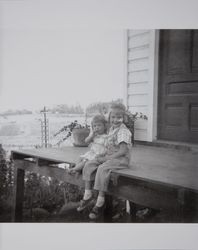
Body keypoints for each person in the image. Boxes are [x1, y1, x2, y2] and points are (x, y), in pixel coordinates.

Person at [77, 103, 132, 219]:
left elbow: (123, 151)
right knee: (90, 163)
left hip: (121, 159)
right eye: (113, 117)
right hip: (110, 156)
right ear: (109, 117)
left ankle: (100, 201)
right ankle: (88, 194)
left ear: (124, 118)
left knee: (102, 169)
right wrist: (101, 155)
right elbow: (107, 144)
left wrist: (106, 158)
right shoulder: (112, 129)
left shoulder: (123, 131)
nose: (115, 120)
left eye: (119, 117)